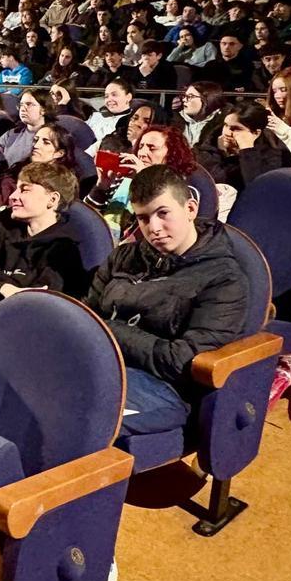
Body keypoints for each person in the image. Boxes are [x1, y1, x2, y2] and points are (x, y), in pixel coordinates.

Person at [86, 165, 247, 441]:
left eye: (163, 213)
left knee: (78, 417)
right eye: (143, 218)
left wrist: (109, 331)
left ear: (190, 209)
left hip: (165, 389)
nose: (154, 228)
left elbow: (180, 362)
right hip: (104, 365)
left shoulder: (224, 279)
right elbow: (88, 314)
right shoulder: (124, 257)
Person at [0, 161, 88, 350]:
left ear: (52, 200)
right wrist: (1, 288)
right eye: (15, 189)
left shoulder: (62, 253)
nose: (13, 196)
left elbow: (31, 309)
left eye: (25, 190)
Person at [86, 124, 197, 242]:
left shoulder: (183, 188)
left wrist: (145, 180)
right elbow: (88, 221)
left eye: (152, 148)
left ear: (171, 154)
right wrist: (102, 187)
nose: (142, 153)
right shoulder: (124, 180)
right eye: (140, 147)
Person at [196, 100, 291, 192]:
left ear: (256, 133)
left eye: (236, 129)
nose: (227, 133)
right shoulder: (208, 148)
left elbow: (258, 189)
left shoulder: (275, 155)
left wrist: (247, 150)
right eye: (225, 125)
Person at [0, 89, 55, 167]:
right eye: (21, 105)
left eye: (29, 104)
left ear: (44, 109)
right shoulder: (12, 133)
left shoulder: (53, 137)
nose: (22, 109)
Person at [86, 79, 135, 152]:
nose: (109, 99)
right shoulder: (96, 115)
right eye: (106, 96)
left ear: (128, 97)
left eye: (114, 95)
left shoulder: (131, 122)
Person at [174, 82, 226, 148]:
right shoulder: (176, 121)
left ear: (207, 99)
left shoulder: (222, 125)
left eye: (190, 96)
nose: (184, 100)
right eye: (184, 96)